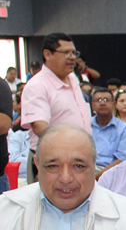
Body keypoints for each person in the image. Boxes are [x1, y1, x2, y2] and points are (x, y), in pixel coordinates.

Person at [19, 33, 92, 183]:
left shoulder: (73, 79)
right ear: (47, 54)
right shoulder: (37, 85)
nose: (72, 57)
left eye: (74, 53)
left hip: (79, 156)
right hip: (53, 161)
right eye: (66, 52)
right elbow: (40, 127)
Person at [89, 88, 126, 174]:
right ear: (92, 105)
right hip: (85, 170)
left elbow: (123, 159)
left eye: (106, 100)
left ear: (114, 104)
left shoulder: (124, 129)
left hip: (111, 173)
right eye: (98, 100)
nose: (102, 103)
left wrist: (99, 176)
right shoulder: (86, 125)